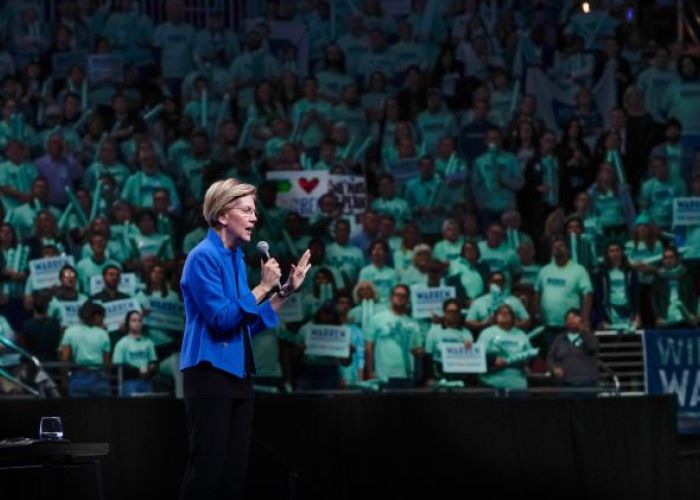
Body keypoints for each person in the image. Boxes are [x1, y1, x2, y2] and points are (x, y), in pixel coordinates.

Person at [178, 179, 311, 500]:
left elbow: (245, 324)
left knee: (234, 475)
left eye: (255, 211)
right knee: (208, 471)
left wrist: (285, 291)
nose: (254, 218)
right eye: (247, 210)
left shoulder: (235, 256)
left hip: (238, 373)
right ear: (223, 215)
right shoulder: (202, 256)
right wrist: (264, 287)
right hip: (209, 372)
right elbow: (222, 319)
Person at [475, 304, 534, 391]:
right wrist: (493, 360)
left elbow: (530, 356)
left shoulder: (521, 334)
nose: (504, 315)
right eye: (501, 313)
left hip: (517, 382)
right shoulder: (487, 333)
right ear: (496, 317)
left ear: (513, 317)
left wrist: (526, 362)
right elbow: (477, 356)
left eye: (508, 313)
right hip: (491, 382)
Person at [547, 309, 599, 388]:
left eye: (574, 317)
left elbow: (593, 348)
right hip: (566, 383)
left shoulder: (590, 336)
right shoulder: (559, 339)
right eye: (569, 318)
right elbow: (550, 358)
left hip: (587, 382)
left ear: (581, 319)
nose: (571, 320)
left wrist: (582, 331)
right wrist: (554, 368)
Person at [112, 310, 158, 396]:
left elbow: (154, 362)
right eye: (133, 320)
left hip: (147, 382)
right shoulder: (122, 343)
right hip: (129, 383)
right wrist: (137, 371)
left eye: (140, 320)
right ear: (128, 323)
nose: (137, 323)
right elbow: (117, 368)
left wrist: (152, 368)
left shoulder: (149, 342)